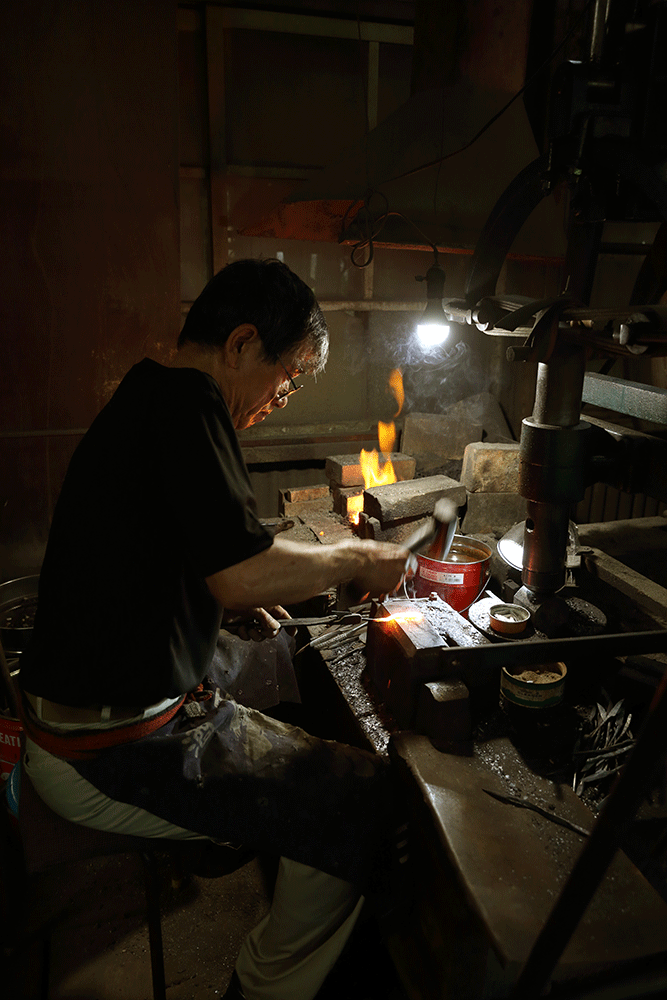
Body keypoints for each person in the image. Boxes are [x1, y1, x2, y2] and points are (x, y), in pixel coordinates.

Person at [18, 258, 410, 1000]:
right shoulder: (190, 403)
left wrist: (220, 600)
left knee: (280, 667)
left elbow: (159, 552)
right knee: (358, 800)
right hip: (106, 748)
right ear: (240, 344)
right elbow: (240, 569)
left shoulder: (148, 392)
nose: (278, 403)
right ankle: (263, 987)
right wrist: (358, 558)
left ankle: (249, 831)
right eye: (286, 380)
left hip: (87, 713)